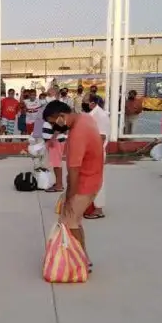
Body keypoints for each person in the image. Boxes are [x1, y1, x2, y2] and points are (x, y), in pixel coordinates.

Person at [42, 100, 103, 272]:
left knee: (68, 221)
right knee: (75, 220)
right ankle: (84, 257)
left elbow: (74, 171)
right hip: (93, 178)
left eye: (54, 122)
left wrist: (69, 197)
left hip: (85, 182)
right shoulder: (85, 119)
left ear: (62, 116)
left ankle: (80, 261)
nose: (55, 127)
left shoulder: (77, 134)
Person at [84, 95, 110, 219]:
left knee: (98, 181)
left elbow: (102, 136)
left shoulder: (100, 115)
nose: (84, 103)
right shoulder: (93, 114)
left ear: (92, 103)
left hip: (96, 153)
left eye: (86, 101)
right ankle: (91, 205)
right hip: (91, 152)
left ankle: (98, 208)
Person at [41, 120, 66, 193]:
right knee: (56, 164)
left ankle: (59, 186)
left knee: (56, 164)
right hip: (54, 140)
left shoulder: (56, 111)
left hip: (55, 141)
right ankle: (59, 183)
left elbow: (60, 123)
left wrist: (53, 138)